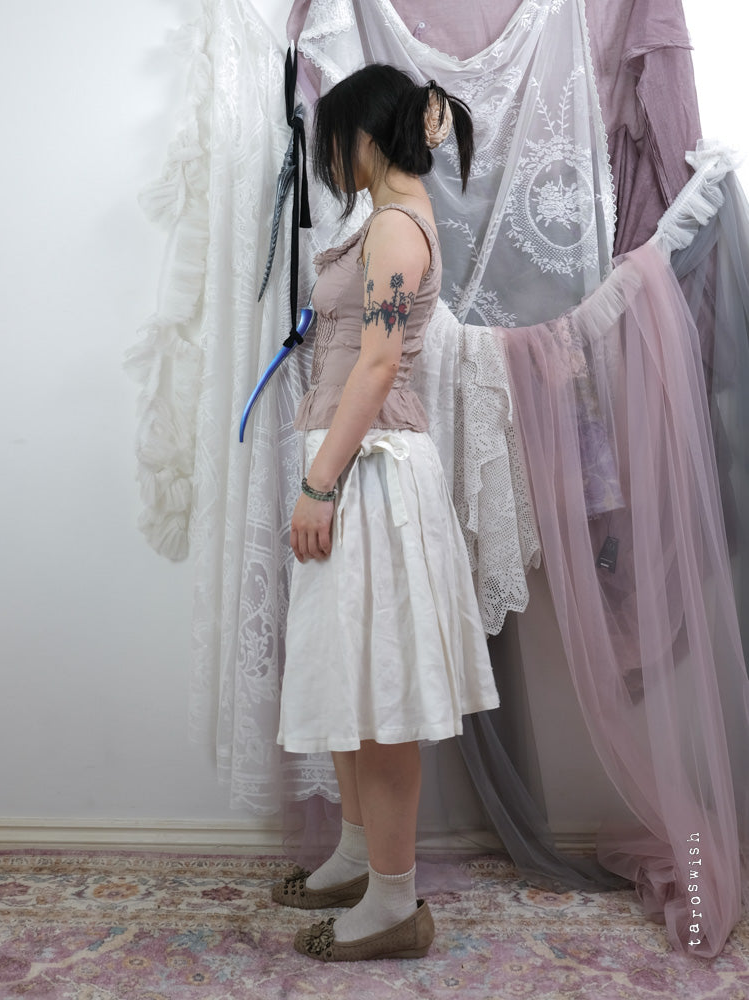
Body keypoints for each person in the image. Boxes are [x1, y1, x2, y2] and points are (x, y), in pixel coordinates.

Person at [272, 63, 500, 962]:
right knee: (353, 680)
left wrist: (320, 483)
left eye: (335, 143)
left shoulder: (398, 229)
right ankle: (359, 860)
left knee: (383, 696)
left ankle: (396, 905)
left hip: (370, 475)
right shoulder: (384, 222)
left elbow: (374, 367)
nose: (332, 162)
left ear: (363, 136)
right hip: (353, 468)